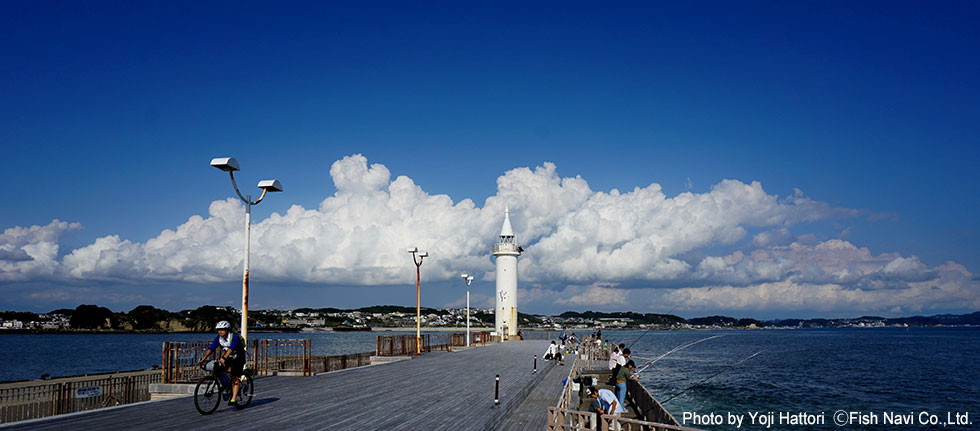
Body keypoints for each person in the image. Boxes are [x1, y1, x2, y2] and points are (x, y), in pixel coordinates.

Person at [199, 320, 246, 405]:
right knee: (218, 369)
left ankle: (234, 399)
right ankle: (226, 386)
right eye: (218, 329)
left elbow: (231, 348)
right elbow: (212, 348)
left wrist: (224, 357)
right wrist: (204, 358)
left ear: (227, 330)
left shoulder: (234, 337)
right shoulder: (219, 338)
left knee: (235, 377)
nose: (220, 331)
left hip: (239, 357)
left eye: (222, 329)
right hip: (229, 357)